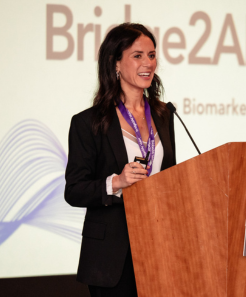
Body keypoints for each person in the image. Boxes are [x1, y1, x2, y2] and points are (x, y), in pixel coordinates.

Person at [64, 23, 176, 297]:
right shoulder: (88, 123)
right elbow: (74, 190)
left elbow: (172, 178)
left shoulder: (164, 115)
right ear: (115, 63)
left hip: (159, 248)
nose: (147, 63)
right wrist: (117, 181)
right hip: (112, 255)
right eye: (137, 55)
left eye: (151, 55)